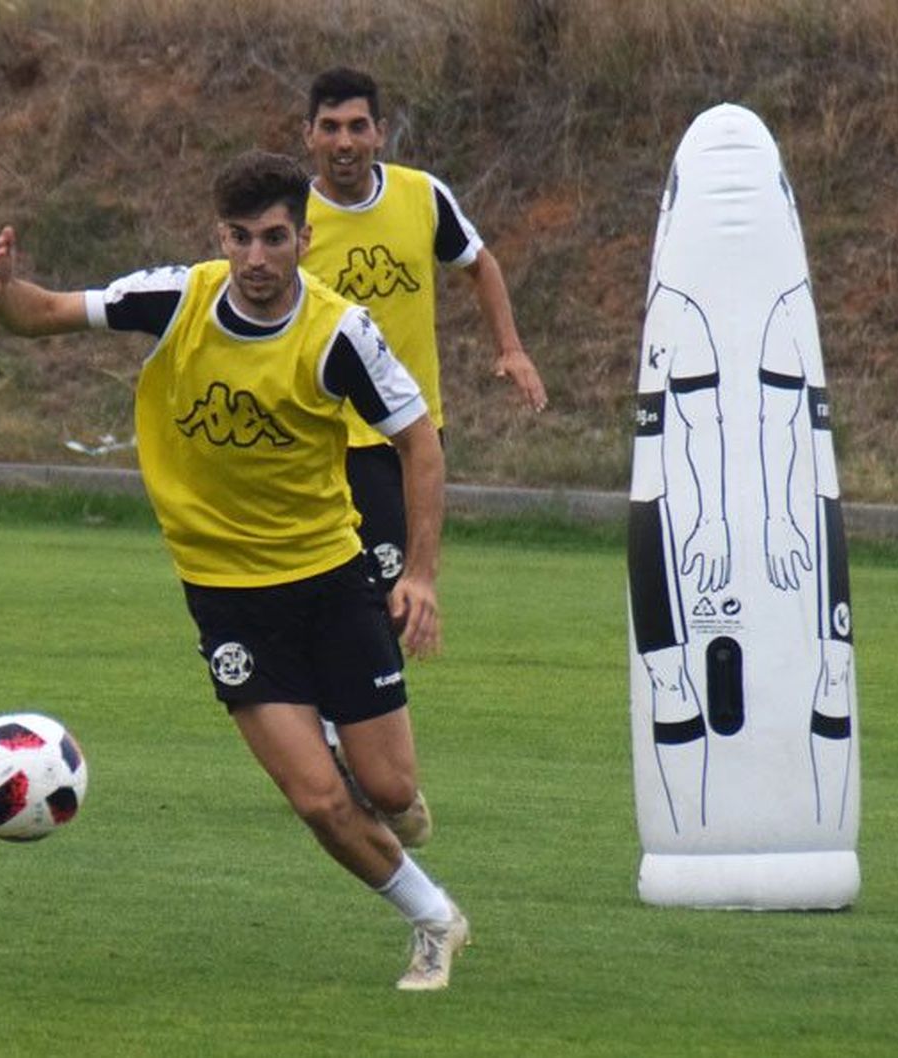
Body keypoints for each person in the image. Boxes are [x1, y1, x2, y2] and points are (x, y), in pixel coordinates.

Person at [0, 150, 470, 991]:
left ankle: (381, 793)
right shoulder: (179, 299)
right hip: (228, 602)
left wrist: (418, 574)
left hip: (330, 580)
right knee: (317, 800)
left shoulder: (339, 334)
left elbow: (418, 441)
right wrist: (1, 293)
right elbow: (45, 313)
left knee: (390, 788)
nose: (255, 260)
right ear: (220, 238)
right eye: (240, 239)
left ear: (304, 240)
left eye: (274, 238)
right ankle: (435, 921)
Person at [300, 67, 550, 833]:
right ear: (309, 134)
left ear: (379, 132)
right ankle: (352, 752)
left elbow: (480, 264)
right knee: (346, 588)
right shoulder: (293, 217)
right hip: (315, 438)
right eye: (330, 128)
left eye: (357, 127)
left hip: (403, 436)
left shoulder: (420, 197)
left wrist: (510, 348)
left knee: (382, 591)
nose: (344, 142)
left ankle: (353, 745)